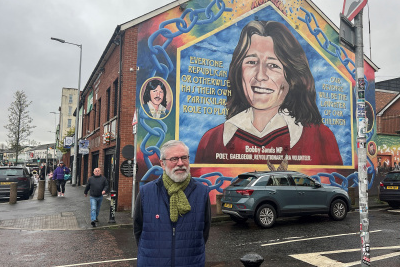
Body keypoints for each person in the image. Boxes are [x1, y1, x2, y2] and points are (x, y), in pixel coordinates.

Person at [195, 20, 342, 165]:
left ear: (291, 77)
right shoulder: (212, 141)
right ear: (239, 70)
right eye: (251, 62)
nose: (260, 76)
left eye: (273, 65)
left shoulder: (321, 138)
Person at [134, 140, 211, 266]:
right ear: (162, 164)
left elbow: (204, 231)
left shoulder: (202, 192)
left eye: (184, 158)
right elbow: (138, 230)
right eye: (174, 159)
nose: (180, 163)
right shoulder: (146, 192)